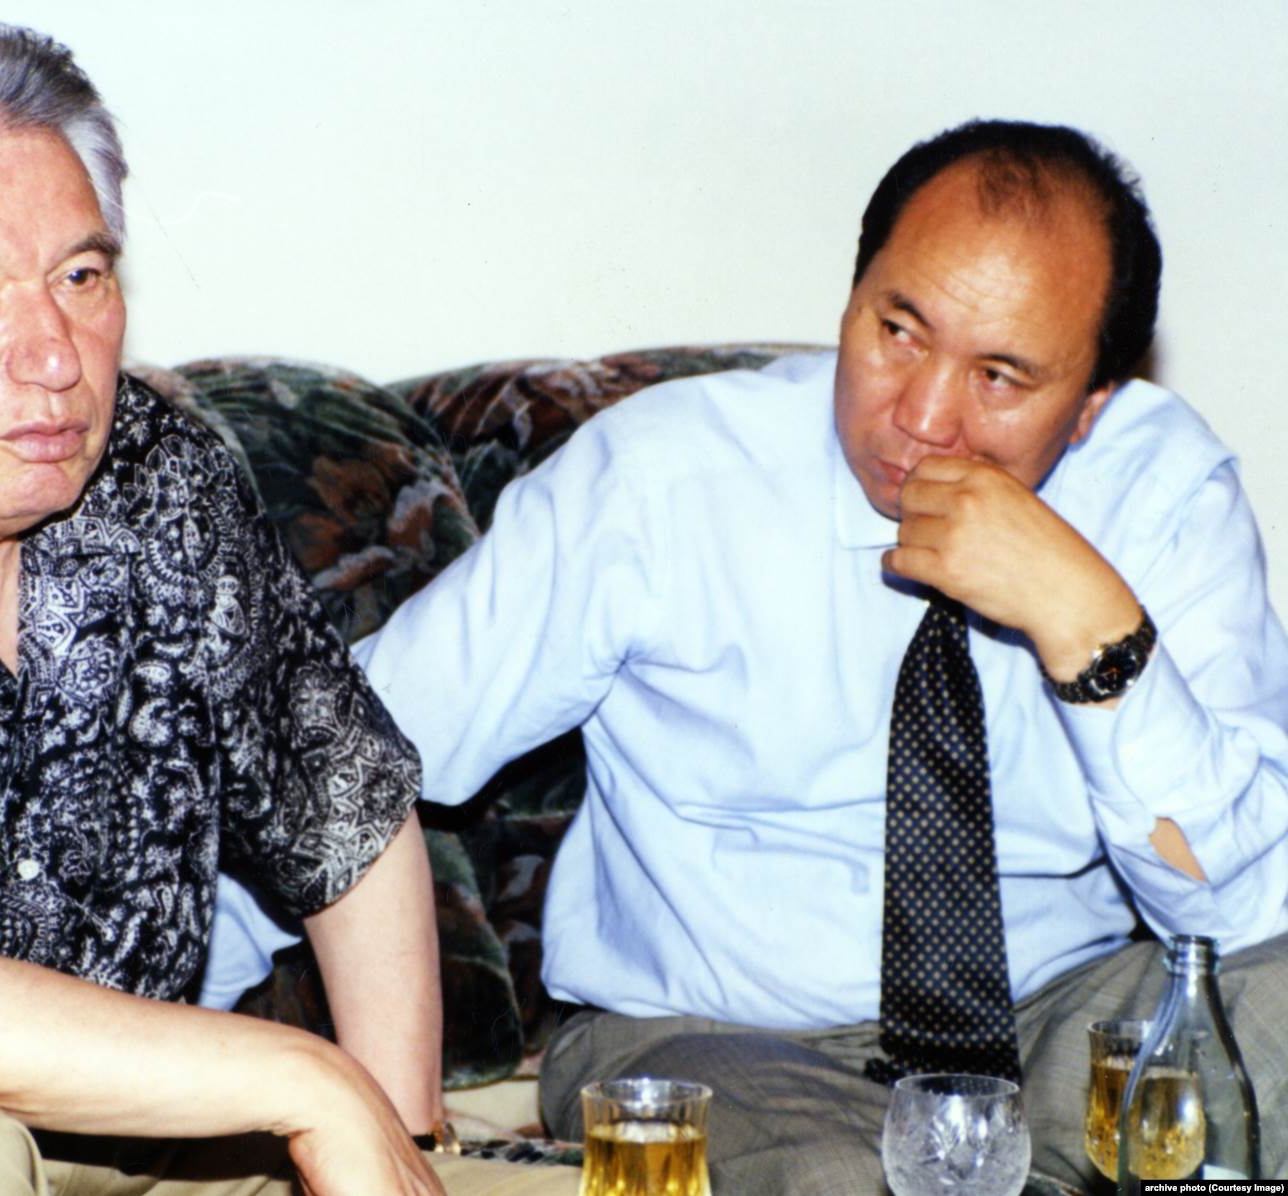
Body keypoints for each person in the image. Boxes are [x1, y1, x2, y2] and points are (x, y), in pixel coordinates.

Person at [0, 21, 577, 1196]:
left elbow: (345, 811)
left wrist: (399, 1133)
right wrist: (303, 1078)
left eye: (81, 276)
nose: (54, 355)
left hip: (134, 1137)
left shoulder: (161, 484)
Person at [352, 119, 1288, 1190]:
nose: (921, 418)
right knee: (849, 1181)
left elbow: (1241, 918)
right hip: (711, 1041)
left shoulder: (1162, 492)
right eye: (899, 330)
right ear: (851, 297)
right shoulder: (659, 480)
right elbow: (340, 756)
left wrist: (1087, 625)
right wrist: (206, 1045)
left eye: (999, 376)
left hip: (1053, 1020)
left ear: (1089, 408)